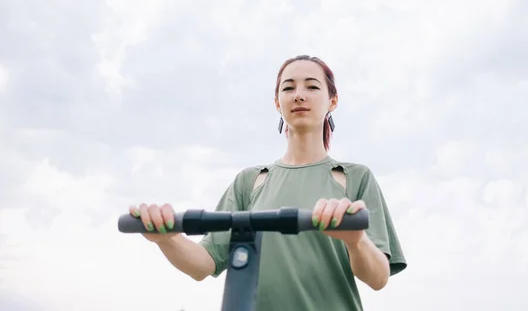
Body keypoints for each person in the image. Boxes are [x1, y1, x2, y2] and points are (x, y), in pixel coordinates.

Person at [128, 55, 407, 310]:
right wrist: (167, 239)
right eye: (288, 88)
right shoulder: (250, 182)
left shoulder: (355, 177)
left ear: (332, 100)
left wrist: (356, 242)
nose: (298, 95)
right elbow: (204, 263)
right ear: (277, 103)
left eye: (311, 87)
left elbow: (378, 277)